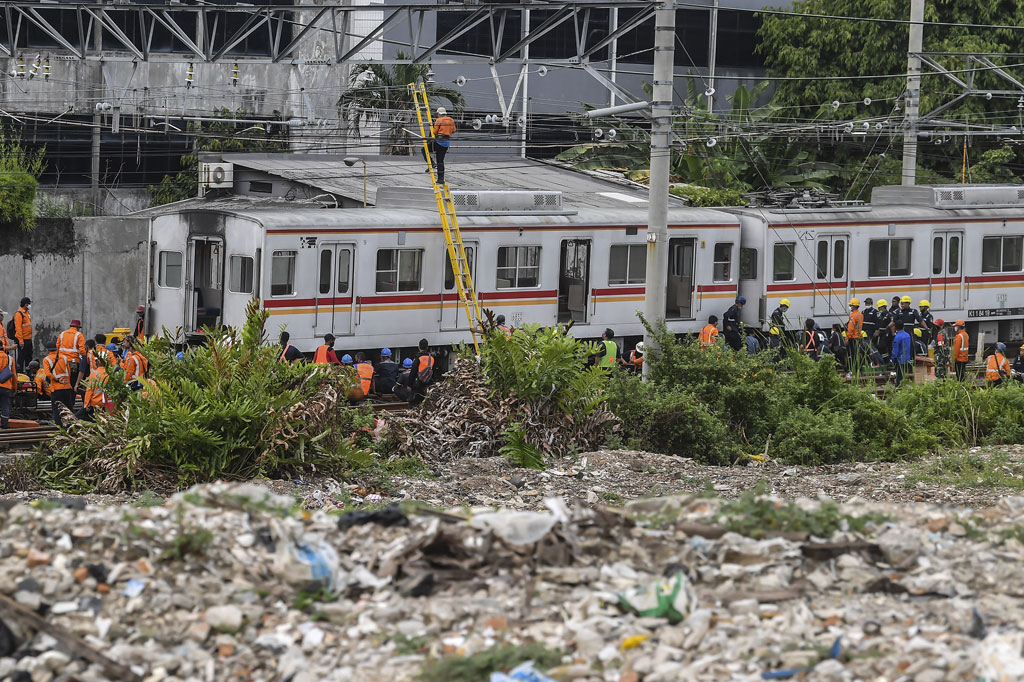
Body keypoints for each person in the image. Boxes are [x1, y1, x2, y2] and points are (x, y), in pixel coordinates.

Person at [422, 106, 456, 185]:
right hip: (446, 144)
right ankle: (441, 179)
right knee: (440, 161)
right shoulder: (451, 120)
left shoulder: (439, 120)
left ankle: (431, 162)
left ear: (439, 114)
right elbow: (454, 130)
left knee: (424, 150)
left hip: (438, 142)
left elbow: (434, 131)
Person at [42, 344, 74, 425]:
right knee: (68, 408)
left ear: (48, 350)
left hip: (56, 388)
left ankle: (60, 426)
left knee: (57, 409)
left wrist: (57, 380)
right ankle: (71, 425)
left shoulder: (46, 359)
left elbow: (48, 374)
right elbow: (69, 372)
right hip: (67, 387)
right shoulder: (64, 357)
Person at [57, 318, 87, 388]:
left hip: (61, 361)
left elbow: (57, 347)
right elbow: (82, 350)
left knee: (63, 379)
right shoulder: (79, 335)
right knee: (72, 381)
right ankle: (71, 397)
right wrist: (85, 358)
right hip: (73, 362)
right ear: (77, 327)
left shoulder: (62, 334)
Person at [891, 320, 913, 387]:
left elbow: (895, 350)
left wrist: (892, 358)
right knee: (905, 375)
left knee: (899, 377)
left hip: (899, 360)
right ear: (903, 326)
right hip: (907, 358)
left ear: (895, 327)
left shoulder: (897, 337)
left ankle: (899, 388)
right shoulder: (907, 335)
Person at [13, 297, 32, 372]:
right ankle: (19, 375)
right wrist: (20, 341)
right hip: (23, 340)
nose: (30, 306)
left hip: (28, 339)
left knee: (28, 358)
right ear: (26, 304)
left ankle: (29, 374)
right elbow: (18, 329)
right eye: (29, 304)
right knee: (21, 359)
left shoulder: (27, 313)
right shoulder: (19, 314)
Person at [846, 298, 863, 371]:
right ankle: (859, 369)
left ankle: (853, 370)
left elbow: (850, 329)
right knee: (857, 354)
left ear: (854, 306)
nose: (850, 307)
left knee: (853, 355)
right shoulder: (860, 314)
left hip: (853, 338)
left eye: (851, 305)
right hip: (858, 337)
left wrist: (847, 337)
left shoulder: (853, 316)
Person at [0, 346, 13, 429]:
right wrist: (14, 387)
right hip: (6, 386)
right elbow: (14, 375)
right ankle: (5, 425)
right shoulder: (10, 358)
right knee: (5, 405)